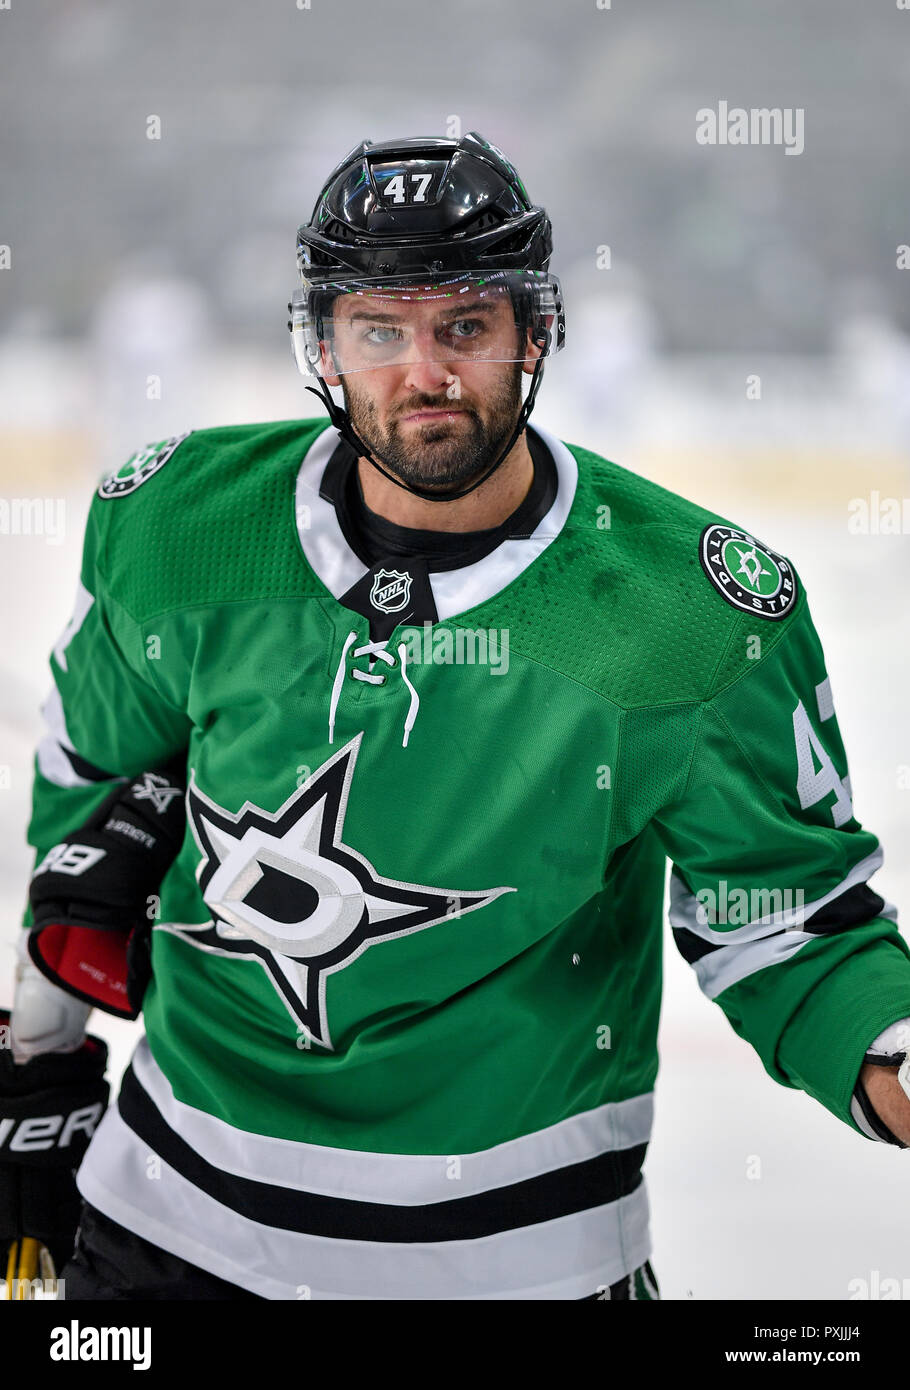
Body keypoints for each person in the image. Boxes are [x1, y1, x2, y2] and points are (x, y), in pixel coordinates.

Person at [2, 131, 909, 1303]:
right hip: (166, 1232)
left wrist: (887, 1048)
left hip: (520, 1265)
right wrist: (42, 1040)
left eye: (463, 328)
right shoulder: (176, 525)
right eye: (379, 329)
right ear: (322, 345)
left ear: (534, 334)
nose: (422, 372)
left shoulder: (689, 614)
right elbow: (94, 789)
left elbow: (790, 920)